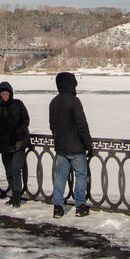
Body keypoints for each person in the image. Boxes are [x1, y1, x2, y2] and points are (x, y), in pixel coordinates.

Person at [49, 71, 92, 219]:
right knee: (81, 175)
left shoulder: (54, 102)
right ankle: (80, 206)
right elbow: (81, 125)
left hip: (61, 147)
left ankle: (57, 207)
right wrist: (88, 144)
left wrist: (58, 140)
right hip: (76, 146)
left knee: (61, 176)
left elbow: (52, 126)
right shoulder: (74, 101)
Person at [0, 80, 30, 208]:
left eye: (7, 94)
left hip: (19, 143)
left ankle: (17, 196)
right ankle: (13, 195)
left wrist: (17, 131)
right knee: (9, 171)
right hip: (5, 145)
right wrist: (7, 129)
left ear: (10, 94)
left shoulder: (18, 104)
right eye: (2, 94)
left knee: (15, 169)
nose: (5, 96)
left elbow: (25, 120)